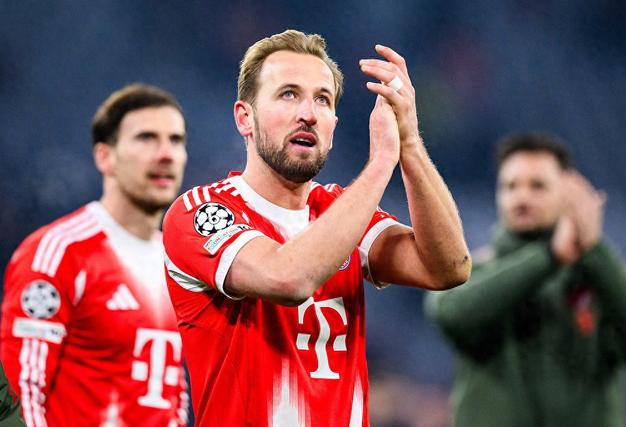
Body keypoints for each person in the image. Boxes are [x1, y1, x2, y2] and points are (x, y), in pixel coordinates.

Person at [162, 29, 471, 426]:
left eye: (322, 99)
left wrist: (409, 143)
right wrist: (381, 163)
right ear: (245, 118)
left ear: (333, 124)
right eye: (288, 94)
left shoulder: (342, 208)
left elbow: (448, 268)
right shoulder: (201, 212)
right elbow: (287, 278)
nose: (308, 113)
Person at [0, 84, 189, 427]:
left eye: (175, 140)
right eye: (146, 138)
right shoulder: (60, 252)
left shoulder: (180, 263)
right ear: (105, 156)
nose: (166, 154)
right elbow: (18, 392)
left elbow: (173, 391)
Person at [427, 132, 626, 427]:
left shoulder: (603, 278)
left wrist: (594, 250)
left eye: (537, 186)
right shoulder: (476, 269)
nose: (522, 197)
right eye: (510, 186)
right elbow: (451, 315)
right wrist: (550, 256)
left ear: (568, 194)